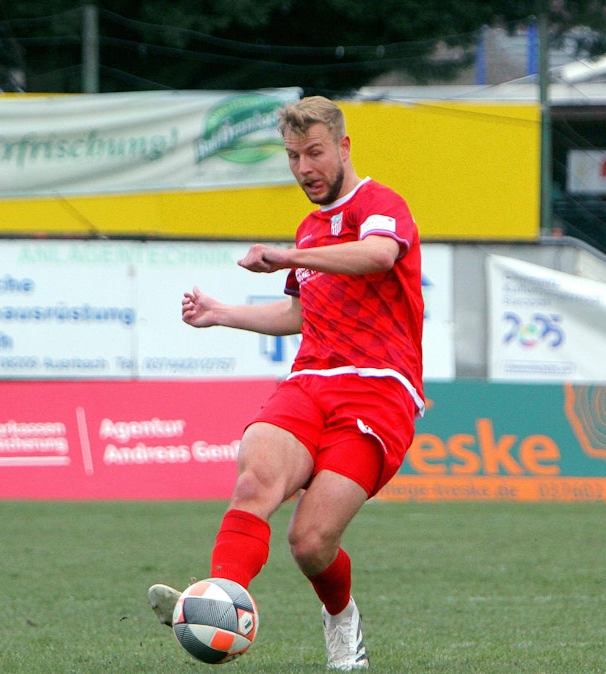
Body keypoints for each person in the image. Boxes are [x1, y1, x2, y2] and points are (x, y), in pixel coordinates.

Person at [147, 96, 425, 671]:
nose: (304, 168)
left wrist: (289, 255)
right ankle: (217, 599)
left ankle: (342, 618)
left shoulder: (379, 205)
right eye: (295, 156)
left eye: (315, 153)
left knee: (310, 541)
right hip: (309, 381)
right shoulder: (308, 228)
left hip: (379, 390)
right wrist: (222, 313)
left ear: (344, 147)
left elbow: (376, 256)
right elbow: (302, 316)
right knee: (254, 483)